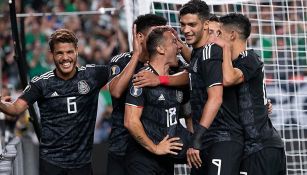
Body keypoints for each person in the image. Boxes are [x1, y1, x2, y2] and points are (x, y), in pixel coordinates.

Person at [0, 28, 109, 175]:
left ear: (77, 50)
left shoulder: (93, 75)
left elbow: (123, 73)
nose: (65, 58)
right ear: (52, 55)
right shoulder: (41, 83)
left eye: (69, 52)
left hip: (82, 164)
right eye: (60, 53)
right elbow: (15, 109)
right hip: (51, 164)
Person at [106, 14, 189, 175]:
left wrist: (160, 79)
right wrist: (136, 56)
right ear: (140, 37)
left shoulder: (168, 65)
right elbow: (116, 91)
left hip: (159, 147)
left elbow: (191, 74)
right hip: (121, 146)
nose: (158, 36)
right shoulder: (122, 61)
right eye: (156, 32)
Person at [211, 13, 286, 175]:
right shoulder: (234, 63)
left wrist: (224, 48)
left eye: (219, 34)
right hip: (255, 149)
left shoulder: (249, 57)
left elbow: (229, 79)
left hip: (261, 148)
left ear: (232, 35)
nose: (215, 39)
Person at [179, 0, 244, 174]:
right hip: (207, 138)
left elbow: (215, 98)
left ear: (206, 24)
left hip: (223, 138)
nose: (186, 30)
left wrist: (196, 140)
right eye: (183, 24)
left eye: (192, 24)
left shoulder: (211, 51)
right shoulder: (197, 54)